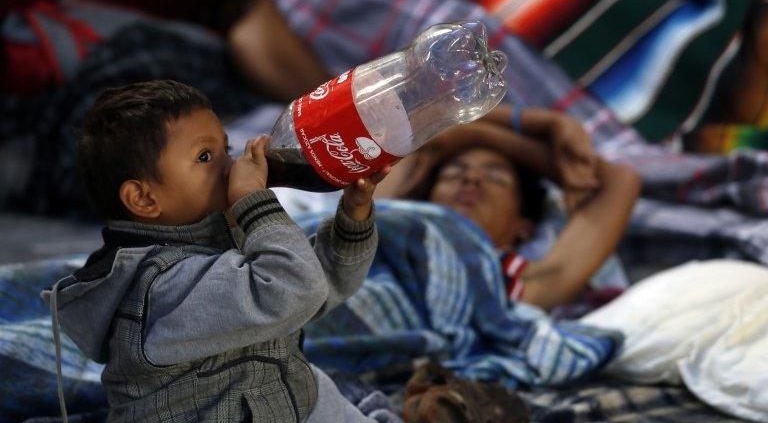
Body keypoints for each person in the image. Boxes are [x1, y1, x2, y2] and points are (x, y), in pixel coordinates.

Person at [41, 80, 389, 422]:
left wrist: (352, 217)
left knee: (321, 388)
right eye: (205, 156)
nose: (230, 166)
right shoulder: (161, 290)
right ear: (144, 198)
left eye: (226, 149)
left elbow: (317, 289)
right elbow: (296, 289)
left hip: (287, 400)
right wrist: (254, 202)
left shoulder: (225, 234)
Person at [382, 104, 642, 310]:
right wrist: (541, 123)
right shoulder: (377, 231)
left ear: (523, 227)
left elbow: (619, 183)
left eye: (496, 179)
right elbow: (414, 122)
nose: (471, 179)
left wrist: (472, 134)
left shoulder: (525, 284)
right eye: (453, 174)